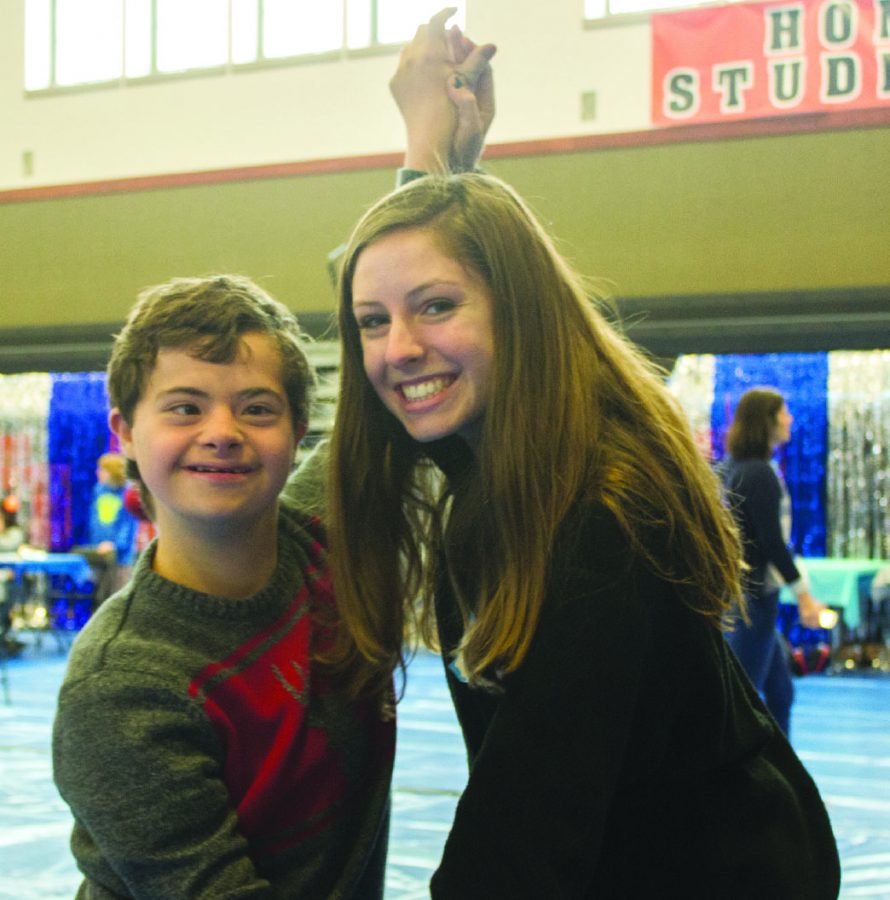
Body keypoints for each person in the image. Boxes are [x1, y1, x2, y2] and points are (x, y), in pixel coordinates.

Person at [287, 16, 841, 895]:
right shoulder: (509, 462)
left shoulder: (595, 519)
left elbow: (517, 845)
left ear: (520, 308)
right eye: (370, 323)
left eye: (435, 307)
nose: (396, 348)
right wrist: (430, 163)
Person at [53, 275, 394, 898]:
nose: (222, 431)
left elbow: (394, 353)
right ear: (125, 431)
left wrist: (426, 182)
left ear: (298, 433)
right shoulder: (124, 686)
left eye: (257, 408)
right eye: (185, 407)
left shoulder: (319, 539)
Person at [721, 387, 827, 736]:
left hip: (745, 596)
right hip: (754, 600)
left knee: (781, 693)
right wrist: (804, 595)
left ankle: (781, 770)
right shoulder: (758, 474)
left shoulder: (734, 468)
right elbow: (772, 544)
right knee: (746, 699)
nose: (790, 418)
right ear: (767, 420)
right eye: (784, 412)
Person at [84, 452, 139, 601]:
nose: (98, 473)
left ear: (112, 472)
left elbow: (129, 525)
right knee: (100, 597)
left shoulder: (128, 493)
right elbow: (94, 520)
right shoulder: (99, 490)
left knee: (118, 597)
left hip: (121, 558)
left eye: (102, 470)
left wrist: (115, 545)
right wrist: (96, 544)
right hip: (100, 553)